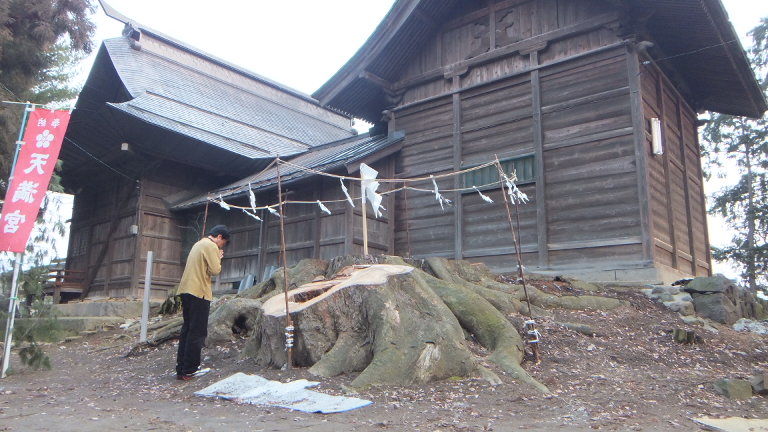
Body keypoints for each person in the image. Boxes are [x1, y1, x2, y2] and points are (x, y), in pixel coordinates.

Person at [175, 225, 230, 380]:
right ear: (219, 237)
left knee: (187, 330)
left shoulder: (198, 244)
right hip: (199, 292)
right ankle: (190, 369)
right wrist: (218, 257)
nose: (222, 246)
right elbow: (215, 270)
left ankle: (181, 368)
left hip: (186, 289)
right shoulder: (211, 246)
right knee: (197, 332)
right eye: (223, 243)